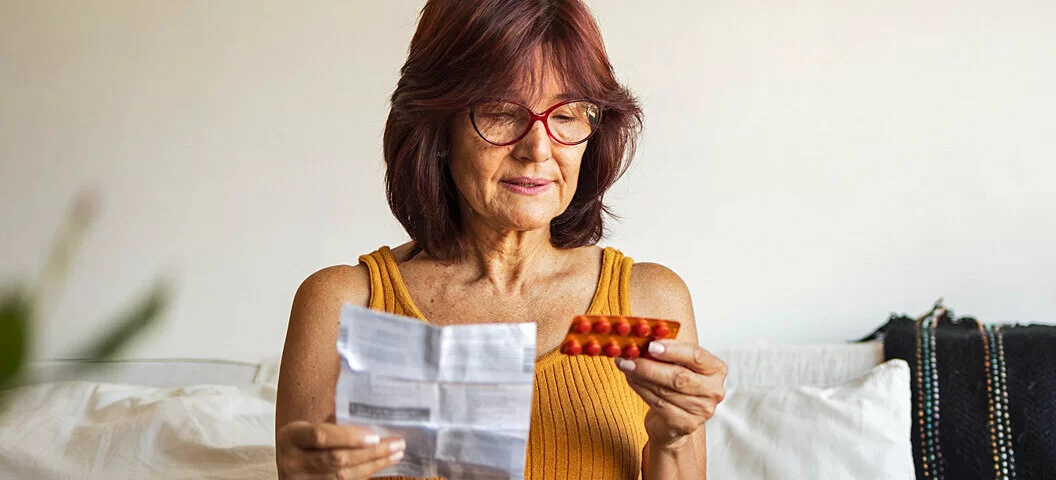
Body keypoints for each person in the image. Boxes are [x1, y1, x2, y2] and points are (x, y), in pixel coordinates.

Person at [273, 1, 725, 478]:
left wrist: (672, 440)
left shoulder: (647, 301)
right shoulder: (342, 305)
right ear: (438, 126)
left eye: (568, 115)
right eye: (502, 112)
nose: (538, 149)